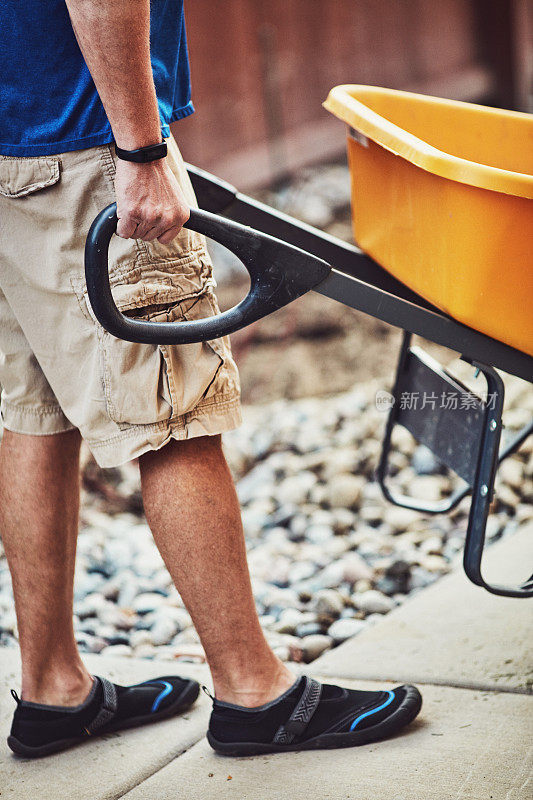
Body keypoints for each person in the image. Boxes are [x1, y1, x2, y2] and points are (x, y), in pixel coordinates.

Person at [0, 0, 422, 758]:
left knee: (33, 410)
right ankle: (254, 691)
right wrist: (139, 149)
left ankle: (54, 689)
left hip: (8, 148)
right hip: (80, 143)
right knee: (174, 406)